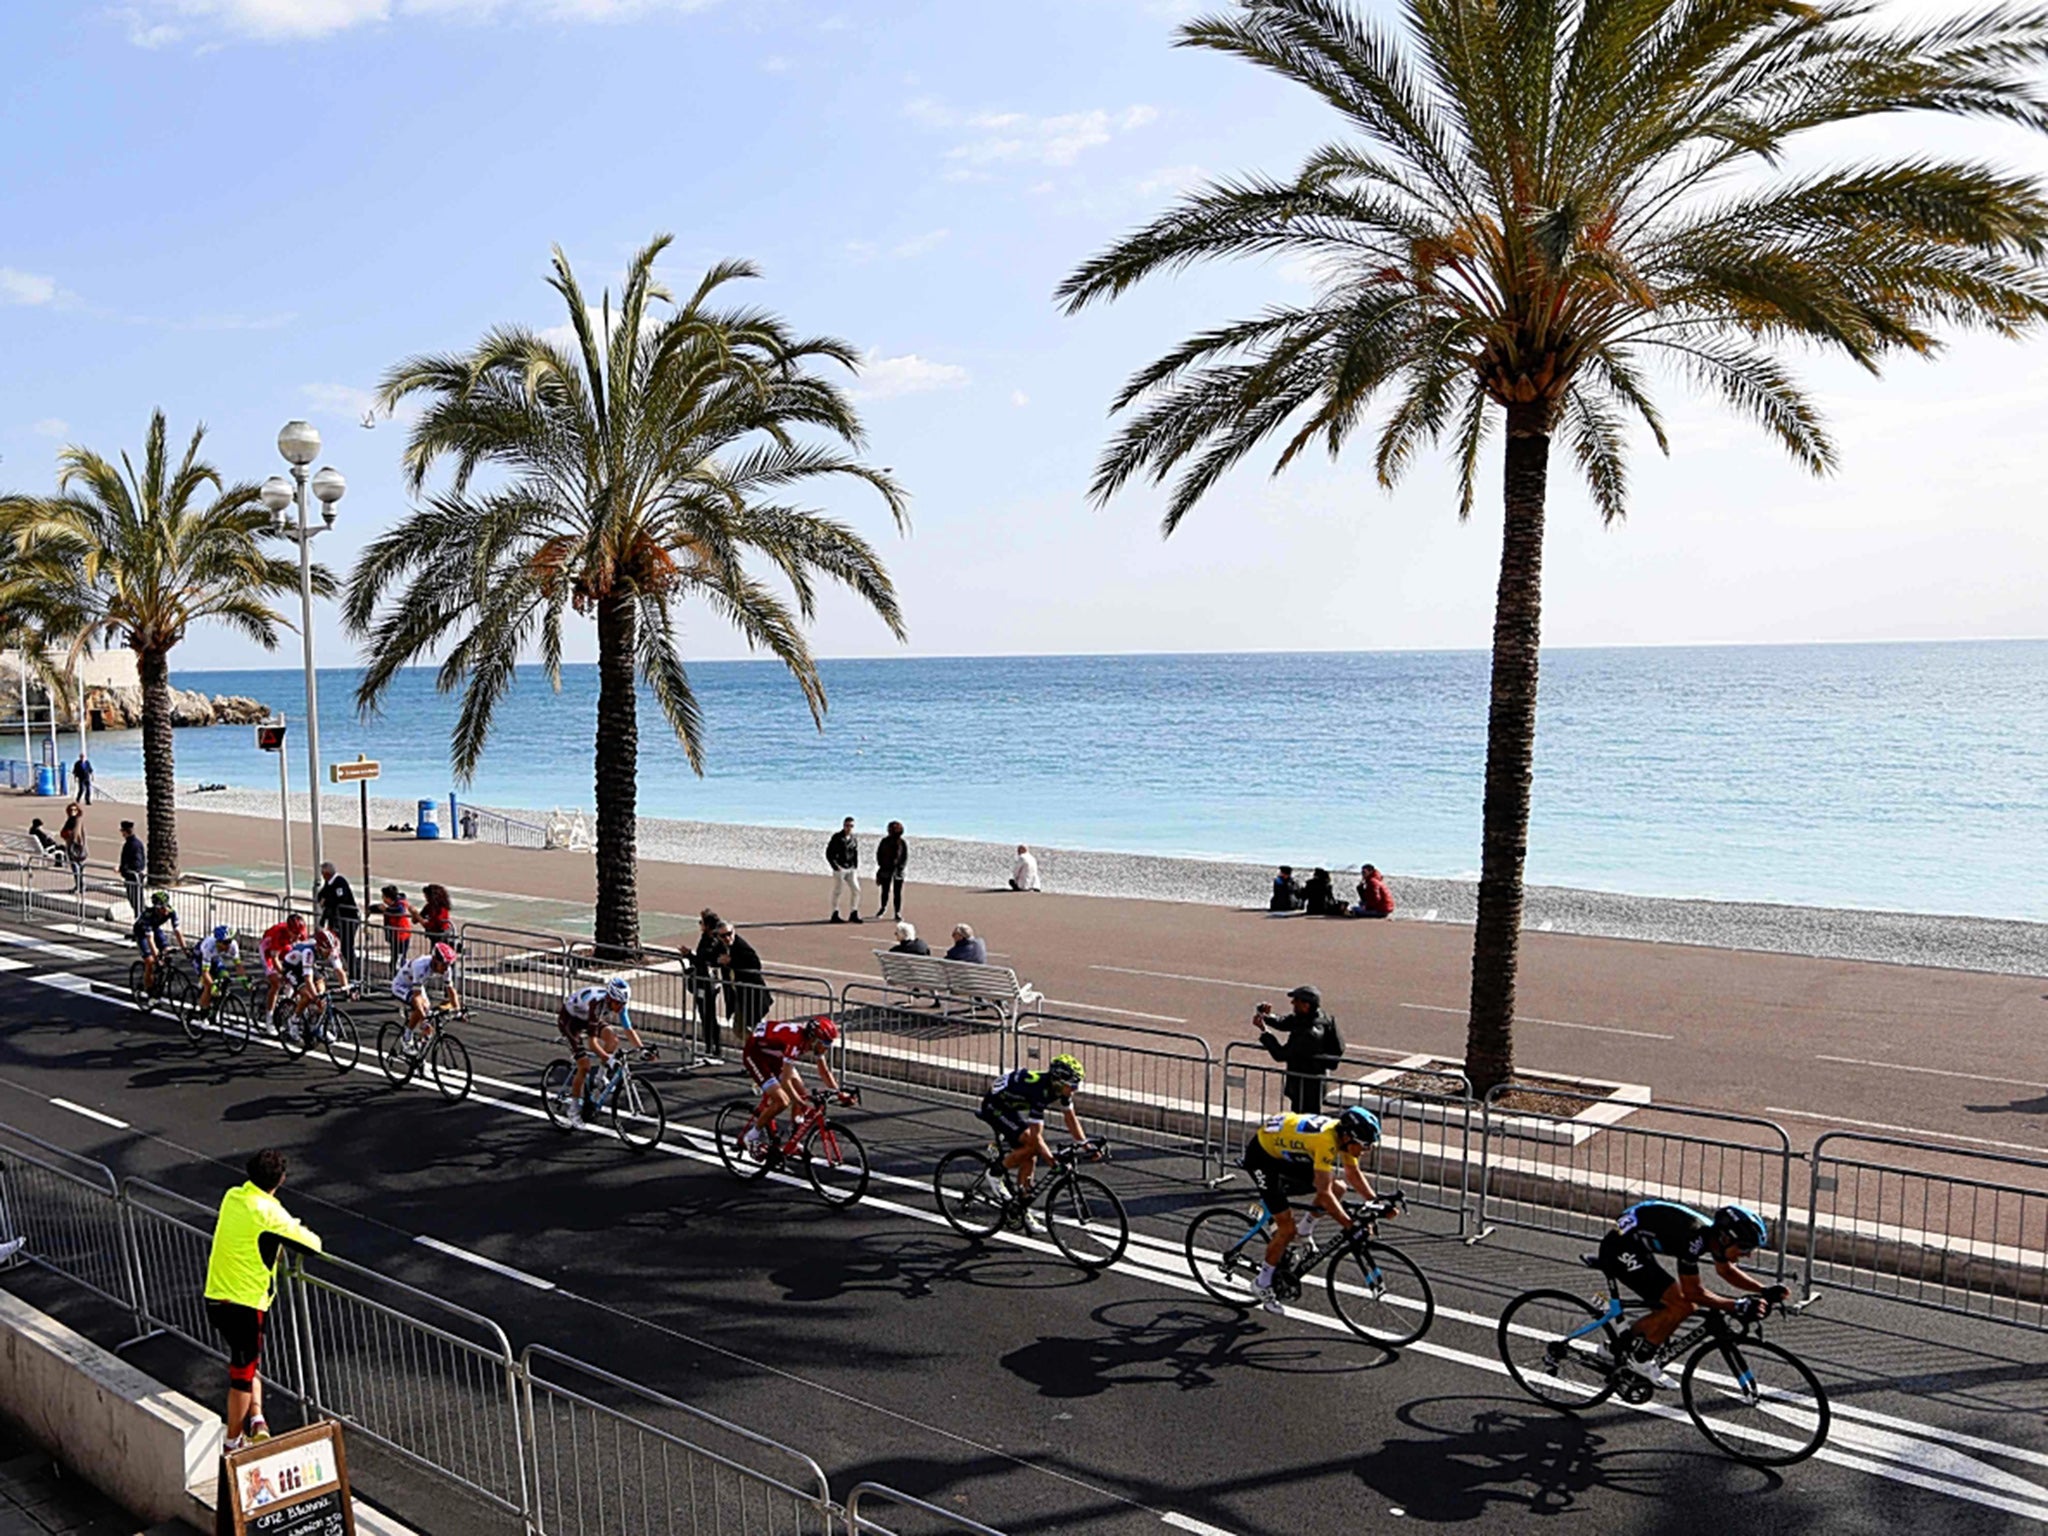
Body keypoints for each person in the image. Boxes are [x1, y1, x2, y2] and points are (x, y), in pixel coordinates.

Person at [203, 1148, 322, 1450]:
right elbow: (312, 1245)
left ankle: (256, 1417)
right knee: (242, 1375)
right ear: (281, 1179)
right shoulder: (270, 1213)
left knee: (248, 1360)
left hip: (216, 1296)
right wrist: (297, 1226)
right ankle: (232, 1441)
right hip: (245, 1304)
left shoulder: (233, 1196)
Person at [1597, 1202, 1786, 1390]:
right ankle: (1640, 1360)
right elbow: (1693, 1292)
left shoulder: (1713, 1238)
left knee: (1671, 1308)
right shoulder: (1692, 1239)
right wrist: (1735, 1305)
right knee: (1682, 1305)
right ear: (1725, 1238)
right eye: (1745, 1248)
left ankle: (1617, 1348)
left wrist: (1763, 1290)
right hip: (1619, 1249)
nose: (1748, 1255)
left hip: (1635, 1242)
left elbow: (1726, 1271)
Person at [1240, 1106, 1385, 1315]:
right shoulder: (1326, 1141)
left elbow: (1352, 1173)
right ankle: (1262, 1284)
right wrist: (1349, 1225)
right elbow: (1324, 1195)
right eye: (1365, 1145)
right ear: (1348, 1137)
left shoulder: (1343, 1138)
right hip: (1262, 1157)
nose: (1366, 1150)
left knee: (1339, 1187)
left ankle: (1305, 1230)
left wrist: (1376, 1202)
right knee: (1286, 1229)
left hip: (1285, 1149)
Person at [977, 1055, 1092, 1226]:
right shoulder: (1040, 1092)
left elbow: (1070, 1118)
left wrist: (1085, 1144)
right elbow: (1037, 1136)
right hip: (995, 1106)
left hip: (1010, 1105)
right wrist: (1053, 1163)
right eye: (1073, 1085)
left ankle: (1021, 1209)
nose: (1075, 1089)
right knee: (1032, 1145)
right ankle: (995, 1172)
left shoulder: (1059, 1089)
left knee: (1031, 1155)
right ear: (1059, 1081)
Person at [738, 1015, 850, 1151]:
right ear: (814, 1039)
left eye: (829, 1044)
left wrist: (839, 1093)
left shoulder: (812, 1043)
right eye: (825, 1044)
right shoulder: (795, 1042)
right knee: (783, 1101)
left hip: (775, 1054)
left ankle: (793, 1140)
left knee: (802, 1093)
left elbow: (824, 1071)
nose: (826, 1048)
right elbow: (786, 1081)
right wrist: (799, 1102)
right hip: (755, 1054)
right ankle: (751, 1136)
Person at [555, 978, 652, 1126]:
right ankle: (573, 1111)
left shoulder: (619, 1003)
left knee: (613, 1039)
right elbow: (592, 1044)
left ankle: (600, 1078)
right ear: (610, 998)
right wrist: (609, 1059)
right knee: (584, 1066)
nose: (620, 1008)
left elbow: (628, 1030)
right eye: (618, 1004)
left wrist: (642, 1049)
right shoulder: (596, 1004)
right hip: (570, 1021)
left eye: (623, 1004)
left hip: (587, 1018)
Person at [1254, 986, 1344, 1114]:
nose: (1292, 1003)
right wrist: (1265, 1016)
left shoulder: (1308, 1034)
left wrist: (1264, 1032)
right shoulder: (1319, 1017)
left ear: (1306, 1005)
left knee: (1304, 1123)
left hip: (1307, 1087)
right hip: (1312, 1081)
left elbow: (1281, 1054)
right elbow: (1285, 1022)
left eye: (1296, 1000)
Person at [277, 930, 348, 1043]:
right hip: (292, 967)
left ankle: (316, 1025)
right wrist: (315, 998)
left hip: (307, 965)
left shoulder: (331, 950)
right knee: (308, 996)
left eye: (330, 950)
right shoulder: (308, 952)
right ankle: (293, 1020)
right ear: (319, 947)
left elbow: (340, 972)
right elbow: (308, 980)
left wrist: (347, 990)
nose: (329, 954)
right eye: (326, 951)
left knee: (322, 993)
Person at [391, 941, 462, 1042]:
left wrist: (458, 1010)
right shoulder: (420, 966)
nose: (446, 968)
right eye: (443, 965)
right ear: (434, 960)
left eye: (448, 965)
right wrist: (424, 1021)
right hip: (401, 986)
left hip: (416, 984)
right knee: (421, 1008)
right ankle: (406, 1038)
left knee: (427, 1007)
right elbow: (417, 998)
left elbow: (451, 990)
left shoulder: (446, 968)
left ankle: (420, 1043)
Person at [686, 909, 726, 1063]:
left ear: (708, 925)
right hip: (702, 982)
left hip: (709, 983)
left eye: (702, 922)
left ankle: (715, 1048)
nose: (700, 925)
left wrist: (690, 956)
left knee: (709, 1015)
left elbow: (706, 961)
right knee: (704, 1015)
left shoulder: (715, 942)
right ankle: (709, 1047)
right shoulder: (705, 938)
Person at [719, 920, 769, 1033]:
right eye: (723, 936)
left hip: (752, 995)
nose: (727, 938)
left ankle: (755, 1046)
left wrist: (731, 962)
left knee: (746, 1028)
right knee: (740, 1028)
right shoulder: (723, 947)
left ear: (734, 931)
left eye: (729, 934)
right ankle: (754, 1046)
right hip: (739, 995)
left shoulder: (741, 946)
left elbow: (755, 964)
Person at [131, 890, 184, 993]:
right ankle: (149, 990)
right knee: (150, 961)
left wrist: (184, 948)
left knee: (167, 952)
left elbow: (178, 931)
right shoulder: (148, 916)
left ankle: (159, 976)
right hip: (141, 932)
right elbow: (150, 940)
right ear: (157, 908)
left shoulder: (171, 912)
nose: (165, 909)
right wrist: (156, 958)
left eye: (166, 906)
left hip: (155, 928)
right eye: (162, 907)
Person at [258, 912, 308, 1019]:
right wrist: (283, 974)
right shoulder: (278, 933)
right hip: (268, 950)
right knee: (276, 984)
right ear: (288, 929)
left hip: (285, 947)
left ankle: (285, 999)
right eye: (295, 933)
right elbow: (274, 959)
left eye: (299, 934)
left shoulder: (301, 933)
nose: (298, 936)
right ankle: (269, 1017)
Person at [316, 862, 360, 976]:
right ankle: (344, 969)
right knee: (333, 944)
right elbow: (321, 896)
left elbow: (341, 898)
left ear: (326, 873)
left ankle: (355, 972)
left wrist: (328, 901)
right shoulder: (328, 883)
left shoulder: (340, 882)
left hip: (348, 919)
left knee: (346, 946)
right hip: (336, 920)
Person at [196, 924, 241, 1015]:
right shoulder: (209, 947)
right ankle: (203, 1011)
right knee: (208, 985)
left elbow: (239, 965)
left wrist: (245, 980)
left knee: (225, 977)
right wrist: (212, 985)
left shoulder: (233, 945)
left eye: (230, 941)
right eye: (225, 942)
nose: (228, 945)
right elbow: (205, 972)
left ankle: (215, 1008)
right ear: (218, 942)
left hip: (215, 958)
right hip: (199, 957)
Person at [369, 885, 413, 973]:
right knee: (394, 958)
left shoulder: (400, 904)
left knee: (399, 959)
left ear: (388, 898)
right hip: (394, 936)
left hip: (402, 936)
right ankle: (395, 975)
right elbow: (378, 908)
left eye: (384, 897)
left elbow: (399, 910)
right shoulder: (390, 906)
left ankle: (399, 976)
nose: (382, 899)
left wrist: (386, 909)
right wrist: (370, 909)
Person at [826, 817, 862, 923]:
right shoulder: (837, 837)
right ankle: (834, 913)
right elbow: (829, 853)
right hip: (840, 868)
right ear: (843, 825)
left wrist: (855, 865)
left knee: (856, 890)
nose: (849, 828)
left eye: (851, 826)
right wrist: (835, 866)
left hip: (850, 868)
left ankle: (853, 912)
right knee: (838, 891)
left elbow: (855, 852)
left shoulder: (853, 838)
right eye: (847, 825)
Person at [873, 820, 908, 921]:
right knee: (885, 891)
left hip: (898, 871)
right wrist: (881, 866)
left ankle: (897, 912)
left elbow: (904, 857)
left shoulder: (902, 842)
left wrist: (901, 867)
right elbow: (879, 854)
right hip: (885, 869)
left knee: (897, 892)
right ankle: (883, 908)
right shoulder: (884, 841)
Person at [118, 820, 146, 919]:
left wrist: (127, 871)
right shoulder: (131, 843)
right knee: (135, 901)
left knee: (137, 901)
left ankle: (141, 923)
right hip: (131, 876)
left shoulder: (133, 844)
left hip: (134, 877)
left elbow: (137, 862)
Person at [57, 802, 85, 892]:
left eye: (75, 810)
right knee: (78, 867)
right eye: (71, 810)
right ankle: (79, 885)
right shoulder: (73, 820)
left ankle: (79, 886)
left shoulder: (75, 821)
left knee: (76, 867)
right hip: (74, 846)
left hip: (74, 847)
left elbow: (76, 834)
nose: (73, 811)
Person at [419, 883, 455, 947]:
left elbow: (432, 924)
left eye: (427, 896)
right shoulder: (429, 906)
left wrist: (418, 917)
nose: (425, 898)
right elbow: (418, 917)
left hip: (442, 936)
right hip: (434, 936)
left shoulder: (441, 909)